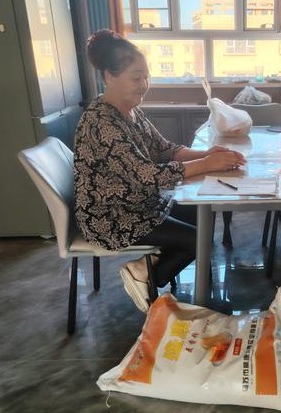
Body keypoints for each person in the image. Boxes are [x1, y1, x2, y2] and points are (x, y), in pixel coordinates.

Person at [74, 29, 246, 312]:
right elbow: (148, 176)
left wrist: (207, 154)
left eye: (146, 77)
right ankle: (146, 274)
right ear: (109, 77)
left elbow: (165, 149)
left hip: (142, 205)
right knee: (198, 239)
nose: (144, 85)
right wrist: (206, 165)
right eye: (136, 77)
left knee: (202, 217)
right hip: (112, 216)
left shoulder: (131, 110)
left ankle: (146, 268)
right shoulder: (101, 122)